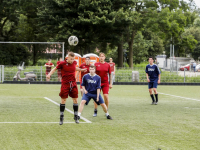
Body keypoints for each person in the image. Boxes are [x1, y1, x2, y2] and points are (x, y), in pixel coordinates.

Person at [46, 52, 87, 125]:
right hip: (65, 84)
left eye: (73, 59)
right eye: (71, 59)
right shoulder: (62, 63)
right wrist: (49, 74)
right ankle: (61, 118)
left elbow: (75, 68)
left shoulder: (74, 63)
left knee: (75, 100)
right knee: (63, 100)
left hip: (73, 84)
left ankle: (75, 117)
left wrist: (81, 70)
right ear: (67, 58)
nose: (72, 60)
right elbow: (55, 69)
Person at [93, 52, 112, 117]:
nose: (101, 57)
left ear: (104, 57)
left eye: (102, 56)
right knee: (96, 97)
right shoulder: (96, 64)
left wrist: (110, 83)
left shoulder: (108, 65)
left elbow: (110, 75)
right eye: (100, 56)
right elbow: (93, 74)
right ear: (99, 57)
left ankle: (106, 110)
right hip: (97, 83)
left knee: (106, 96)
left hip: (105, 83)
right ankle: (95, 111)